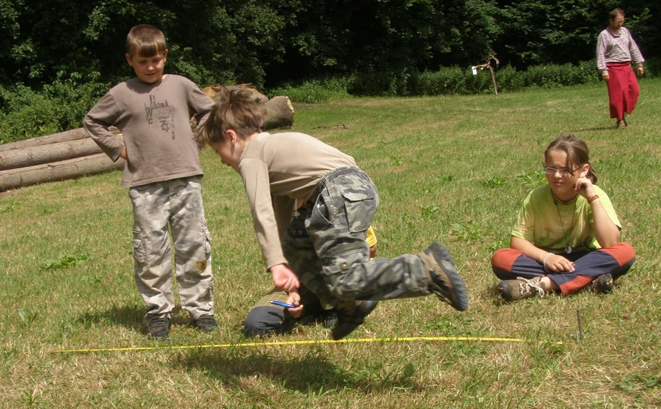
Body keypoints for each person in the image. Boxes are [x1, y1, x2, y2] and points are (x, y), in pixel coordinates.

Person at [196, 88, 468, 341]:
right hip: (345, 189)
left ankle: (425, 270)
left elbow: (261, 210)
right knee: (295, 243)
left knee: (346, 277)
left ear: (231, 137)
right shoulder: (272, 147)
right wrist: (285, 260)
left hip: (337, 192)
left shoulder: (251, 156)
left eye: (219, 152)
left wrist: (275, 264)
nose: (222, 160)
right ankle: (350, 305)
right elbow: (281, 217)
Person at [83, 24, 217, 339]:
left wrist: (196, 138)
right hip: (144, 183)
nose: (150, 67)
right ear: (130, 60)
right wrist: (118, 148)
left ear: (165, 55)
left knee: (194, 244)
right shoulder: (120, 94)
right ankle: (158, 311)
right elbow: (92, 120)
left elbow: (209, 110)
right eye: (142, 62)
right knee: (150, 249)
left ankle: (201, 309)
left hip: (186, 179)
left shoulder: (182, 85)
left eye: (156, 60)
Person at [491, 134, 635, 302]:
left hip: (586, 257)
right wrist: (547, 258)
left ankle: (542, 284)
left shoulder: (596, 195)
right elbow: (517, 241)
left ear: (584, 170)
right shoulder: (536, 197)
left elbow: (610, 243)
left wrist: (592, 199)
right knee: (501, 258)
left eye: (565, 170)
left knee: (626, 251)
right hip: (545, 260)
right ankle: (587, 280)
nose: (557, 175)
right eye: (551, 168)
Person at [243, 227, 378, 337]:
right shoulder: (274, 215)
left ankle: (335, 307)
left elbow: (371, 249)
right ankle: (313, 310)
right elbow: (277, 263)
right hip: (300, 282)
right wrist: (292, 291)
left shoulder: (342, 204)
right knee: (255, 326)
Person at [596, 8, 645, 129]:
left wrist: (639, 63)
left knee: (634, 90)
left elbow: (633, 47)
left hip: (626, 67)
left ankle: (624, 113)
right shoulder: (604, 35)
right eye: (618, 21)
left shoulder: (625, 32)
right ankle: (620, 119)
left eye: (622, 21)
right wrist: (603, 70)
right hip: (613, 68)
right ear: (611, 20)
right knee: (618, 96)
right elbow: (600, 53)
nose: (620, 23)